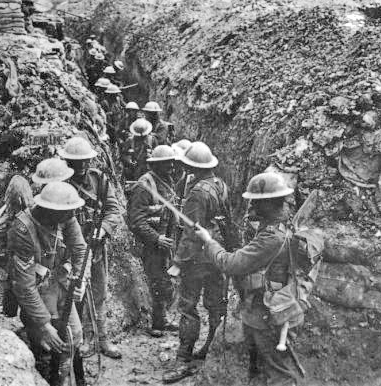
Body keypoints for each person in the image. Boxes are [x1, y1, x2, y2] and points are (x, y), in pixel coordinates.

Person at [193, 172, 302, 386]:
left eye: (256, 202)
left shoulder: (271, 238)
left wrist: (208, 241)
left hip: (266, 314)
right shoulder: (282, 225)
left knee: (277, 374)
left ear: (269, 204)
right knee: (260, 369)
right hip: (265, 309)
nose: (252, 206)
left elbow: (229, 264)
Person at [163, 141, 231, 384]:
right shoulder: (221, 185)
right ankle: (211, 350)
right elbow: (228, 222)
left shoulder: (196, 193)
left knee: (188, 307)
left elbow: (192, 232)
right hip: (217, 252)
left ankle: (183, 357)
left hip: (197, 258)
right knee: (215, 304)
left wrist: (179, 262)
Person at [8, 181, 88, 386]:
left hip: (60, 283)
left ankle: (68, 379)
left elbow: (80, 249)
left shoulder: (65, 216)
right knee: (45, 345)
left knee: (74, 335)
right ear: (50, 210)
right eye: (65, 213)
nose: (70, 216)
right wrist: (44, 325)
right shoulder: (23, 228)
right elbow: (24, 285)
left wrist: (81, 279)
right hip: (36, 290)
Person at [59, 136, 123, 359]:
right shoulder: (61, 184)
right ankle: (82, 339)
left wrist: (102, 229)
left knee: (99, 292)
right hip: (71, 250)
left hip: (96, 246)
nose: (83, 165)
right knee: (76, 292)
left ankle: (102, 339)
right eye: (77, 161)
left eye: (86, 161)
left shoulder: (100, 180)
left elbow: (114, 211)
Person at [127, 145, 179, 337]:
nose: (171, 167)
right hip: (152, 244)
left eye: (171, 163)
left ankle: (162, 319)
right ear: (155, 165)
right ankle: (157, 323)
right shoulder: (144, 186)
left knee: (165, 280)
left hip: (167, 240)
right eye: (166, 164)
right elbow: (136, 220)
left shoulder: (167, 180)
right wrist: (156, 238)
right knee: (158, 281)